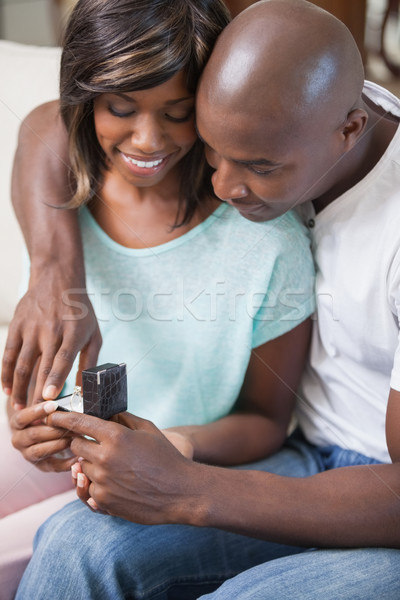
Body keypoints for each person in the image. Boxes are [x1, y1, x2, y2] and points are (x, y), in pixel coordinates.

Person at [12, 0, 400, 598]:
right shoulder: (297, 110)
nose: (222, 184)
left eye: (257, 165)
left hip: (376, 495)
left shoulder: (294, 223)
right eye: (215, 149)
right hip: (302, 455)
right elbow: (52, 122)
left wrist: (182, 484)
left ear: (348, 131)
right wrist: (54, 275)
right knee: (77, 544)